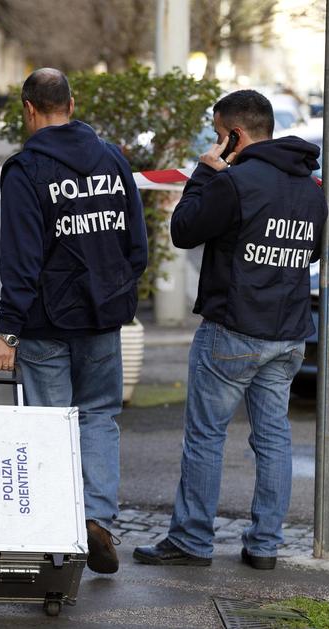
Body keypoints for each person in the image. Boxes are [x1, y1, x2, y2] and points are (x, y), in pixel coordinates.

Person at [133, 89, 327, 570]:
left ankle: (191, 540)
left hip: (233, 330)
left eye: (220, 134)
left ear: (235, 135)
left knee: (206, 437)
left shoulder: (233, 182)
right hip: (288, 334)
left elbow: (183, 230)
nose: (218, 142)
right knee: (274, 439)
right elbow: (312, 252)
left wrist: (205, 172)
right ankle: (265, 546)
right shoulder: (312, 188)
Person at [0, 68, 148, 574]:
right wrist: (117, 290)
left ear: (28, 109)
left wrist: (7, 330)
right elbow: (136, 243)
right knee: (98, 417)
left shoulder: (25, 169)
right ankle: (96, 518)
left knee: (51, 428)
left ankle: (57, 538)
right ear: (71, 106)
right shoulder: (112, 158)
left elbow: (21, 257)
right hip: (102, 317)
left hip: (46, 323)